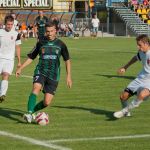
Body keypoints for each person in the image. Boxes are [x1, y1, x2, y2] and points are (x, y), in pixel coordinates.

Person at [16, 22, 72, 123]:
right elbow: (31, 57)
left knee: (46, 102)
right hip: (40, 71)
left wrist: (68, 76)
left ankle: (33, 112)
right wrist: (21, 68)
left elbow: (67, 60)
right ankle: (29, 113)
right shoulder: (40, 43)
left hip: (54, 76)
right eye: (47, 31)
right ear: (45, 32)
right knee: (36, 88)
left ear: (55, 31)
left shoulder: (61, 44)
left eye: (51, 31)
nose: (49, 33)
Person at [114, 34, 150, 119]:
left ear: (146, 43)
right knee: (123, 97)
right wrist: (125, 67)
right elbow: (136, 57)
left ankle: (124, 111)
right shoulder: (141, 52)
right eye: (137, 45)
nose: (138, 47)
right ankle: (127, 112)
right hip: (141, 78)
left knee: (142, 95)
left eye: (139, 45)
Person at [0, 15, 21, 102]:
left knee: (6, 75)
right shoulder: (0, 32)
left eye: (11, 24)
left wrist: (19, 61)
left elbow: (18, 47)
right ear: (5, 24)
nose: (9, 26)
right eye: (8, 24)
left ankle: (2, 95)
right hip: (0, 58)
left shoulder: (16, 34)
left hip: (9, 59)